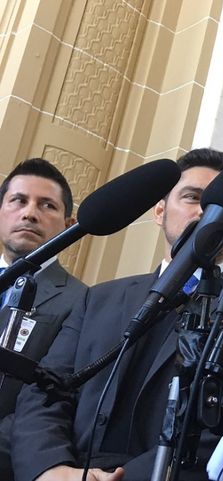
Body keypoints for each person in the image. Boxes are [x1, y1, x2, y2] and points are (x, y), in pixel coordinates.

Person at [12, 149, 223, 481]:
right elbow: (44, 389)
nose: (206, 213)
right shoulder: (98, 299)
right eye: (193, 197)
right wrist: (51, 469)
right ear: (160, 210)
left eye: (222, 207)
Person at [0, 159, 88, 473]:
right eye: (18, 200)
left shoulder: (83, 302)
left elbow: (52, 401)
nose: (29, 213)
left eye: (47, 205)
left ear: (69, 224)